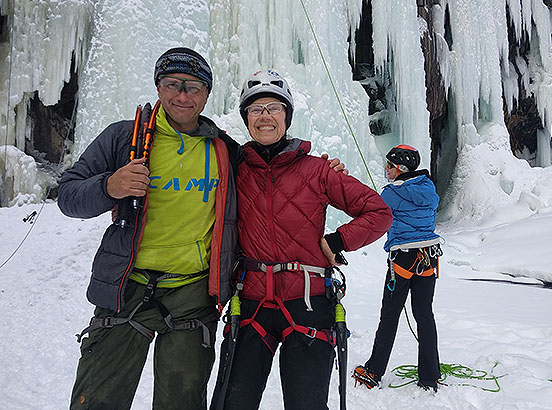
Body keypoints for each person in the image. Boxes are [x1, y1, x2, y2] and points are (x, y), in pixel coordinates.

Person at [58, 48, 347, 410]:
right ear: (159, 88)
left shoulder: (224, 150)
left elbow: (272, 174)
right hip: (126, 287)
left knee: (182, 402)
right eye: (173, 84)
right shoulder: (124, 139)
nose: (183, 95)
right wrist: (108, 187)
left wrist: (323, 170)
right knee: (97, 399)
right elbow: (68, 195)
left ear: (207, 94)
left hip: (192, 296)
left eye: (193, 87)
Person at [210, 70, 393, 410]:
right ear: (246, 118)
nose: (265, 115)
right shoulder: (233, 169)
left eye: (274, 107)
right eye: (255, 108)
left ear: (287, 116)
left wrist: (337, 241)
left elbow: (378, 212)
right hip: (250, 302)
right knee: (231, 403)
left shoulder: (317, 170)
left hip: (307, 302)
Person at [352, 144, 442, 392]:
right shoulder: (429, 188)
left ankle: (373, 371)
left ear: (400, 168)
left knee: (389, 317)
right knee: (425, 316)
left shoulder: (391, 193)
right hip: (429, 257)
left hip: (402, 259)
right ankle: (430, 375)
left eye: (390, 165)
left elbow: (373, 215)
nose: (386, 169)